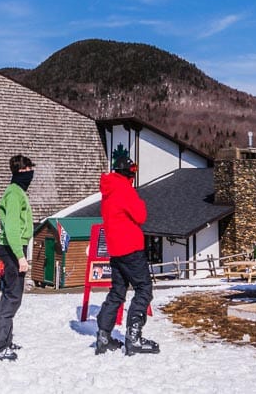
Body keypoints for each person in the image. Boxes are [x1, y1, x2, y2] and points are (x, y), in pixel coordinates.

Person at [94, 148, 159, 356]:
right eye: (132, 171)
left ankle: (103, 336)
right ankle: (134, 337)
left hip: (115, 250)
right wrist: (137, 199)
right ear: (127, 173)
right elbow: (141, 215)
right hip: (131, 248)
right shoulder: (125, 189)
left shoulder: (108, 190)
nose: (133, 175)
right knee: (144, 288)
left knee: (117, 291)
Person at [0, 154, 35, 362]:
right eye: (29, 169)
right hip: (13, 248)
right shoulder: (14, 194)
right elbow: (12, 228)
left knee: (11, 294)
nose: (32, 173)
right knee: (12, 297)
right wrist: (20, 257)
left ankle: (5, 338)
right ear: (21, 171)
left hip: (13, 247)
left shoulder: (17, 191)